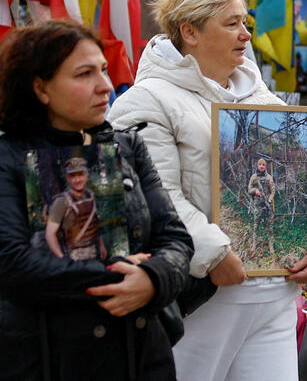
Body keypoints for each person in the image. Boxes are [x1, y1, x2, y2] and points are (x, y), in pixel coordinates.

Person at [108, 0, 307, 381]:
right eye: (232, 23)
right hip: (204, 295)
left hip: (273, 297)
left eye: (245, 22)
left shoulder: (264, 99)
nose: (246, 34)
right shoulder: (147, 101)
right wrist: (214, 254)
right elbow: (156, 195)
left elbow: (300, 186)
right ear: (190, 31)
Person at [0, 20, 194, 379]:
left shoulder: (127, 147)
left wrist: (153, 279)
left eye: (103, 70)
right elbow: (12, 263)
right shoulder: (8, 157)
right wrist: (117, 275)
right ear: (41, 88)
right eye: (84, 74)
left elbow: (176, 239)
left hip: (140, 356)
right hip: (48, 360)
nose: (105, 85)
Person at [45, 157, 108, 261]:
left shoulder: (90, 196)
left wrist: (101, 245)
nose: (77, 180)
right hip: (74, 256)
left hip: (94, 252)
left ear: (86, 175)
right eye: (72, 176)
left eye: (80, 175)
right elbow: (50, 234)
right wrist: (63, 260)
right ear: (67, 178)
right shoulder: (62, 201)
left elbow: (95, 224)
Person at [247, 158, 275, 255]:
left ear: (265, 166)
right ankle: (254, 244)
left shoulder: (269, 178)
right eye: (260, 164)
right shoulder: (254, 177)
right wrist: (255, 190)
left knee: (269, 227)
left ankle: (271, 246)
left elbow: (273, 192)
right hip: (258, 206)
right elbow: (249, 189)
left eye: (263, 164)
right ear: (258, 165)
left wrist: (269, 202)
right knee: (256, 226)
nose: (261, 166)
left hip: (267, 205)